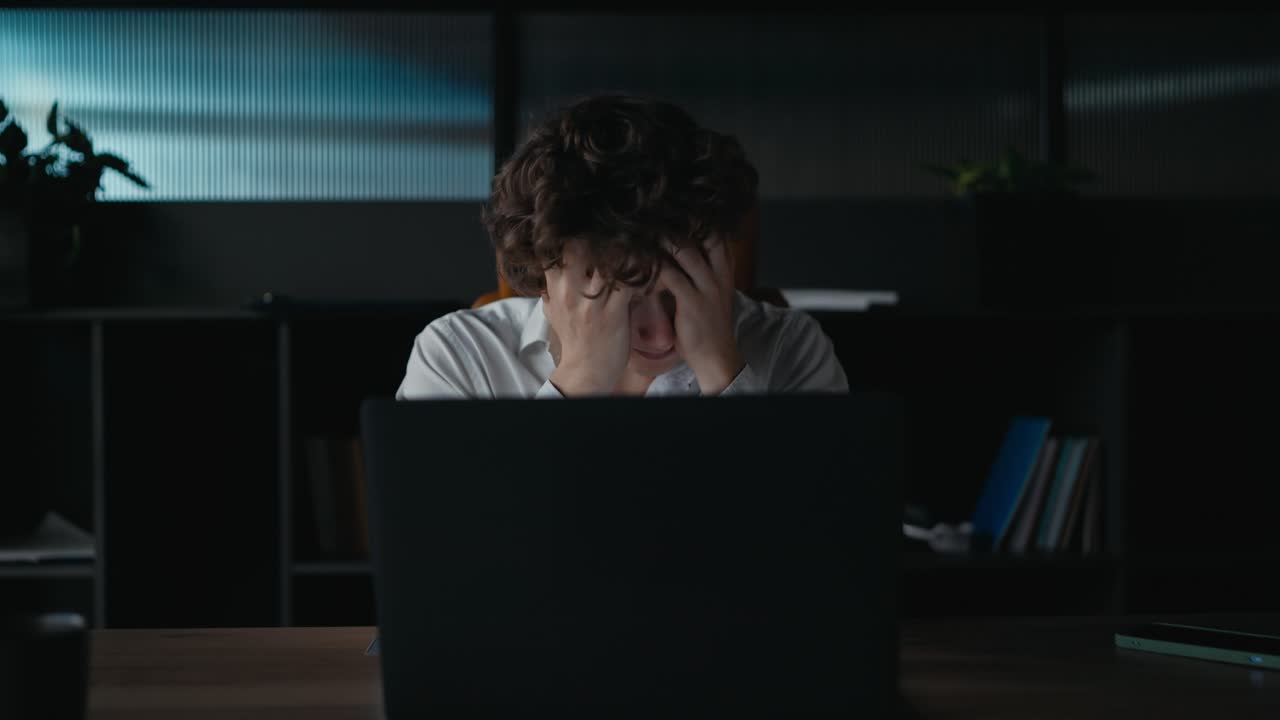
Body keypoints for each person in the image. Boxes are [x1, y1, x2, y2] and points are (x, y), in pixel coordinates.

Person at [396, 95, 847, 399]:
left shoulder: (791, 349)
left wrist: (722, 370)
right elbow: (459, 538)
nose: (663, 334)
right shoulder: (460, 358)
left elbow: (817, 532)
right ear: (547, 276)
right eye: (623, 297)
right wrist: (581, 380)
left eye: (679, 290)